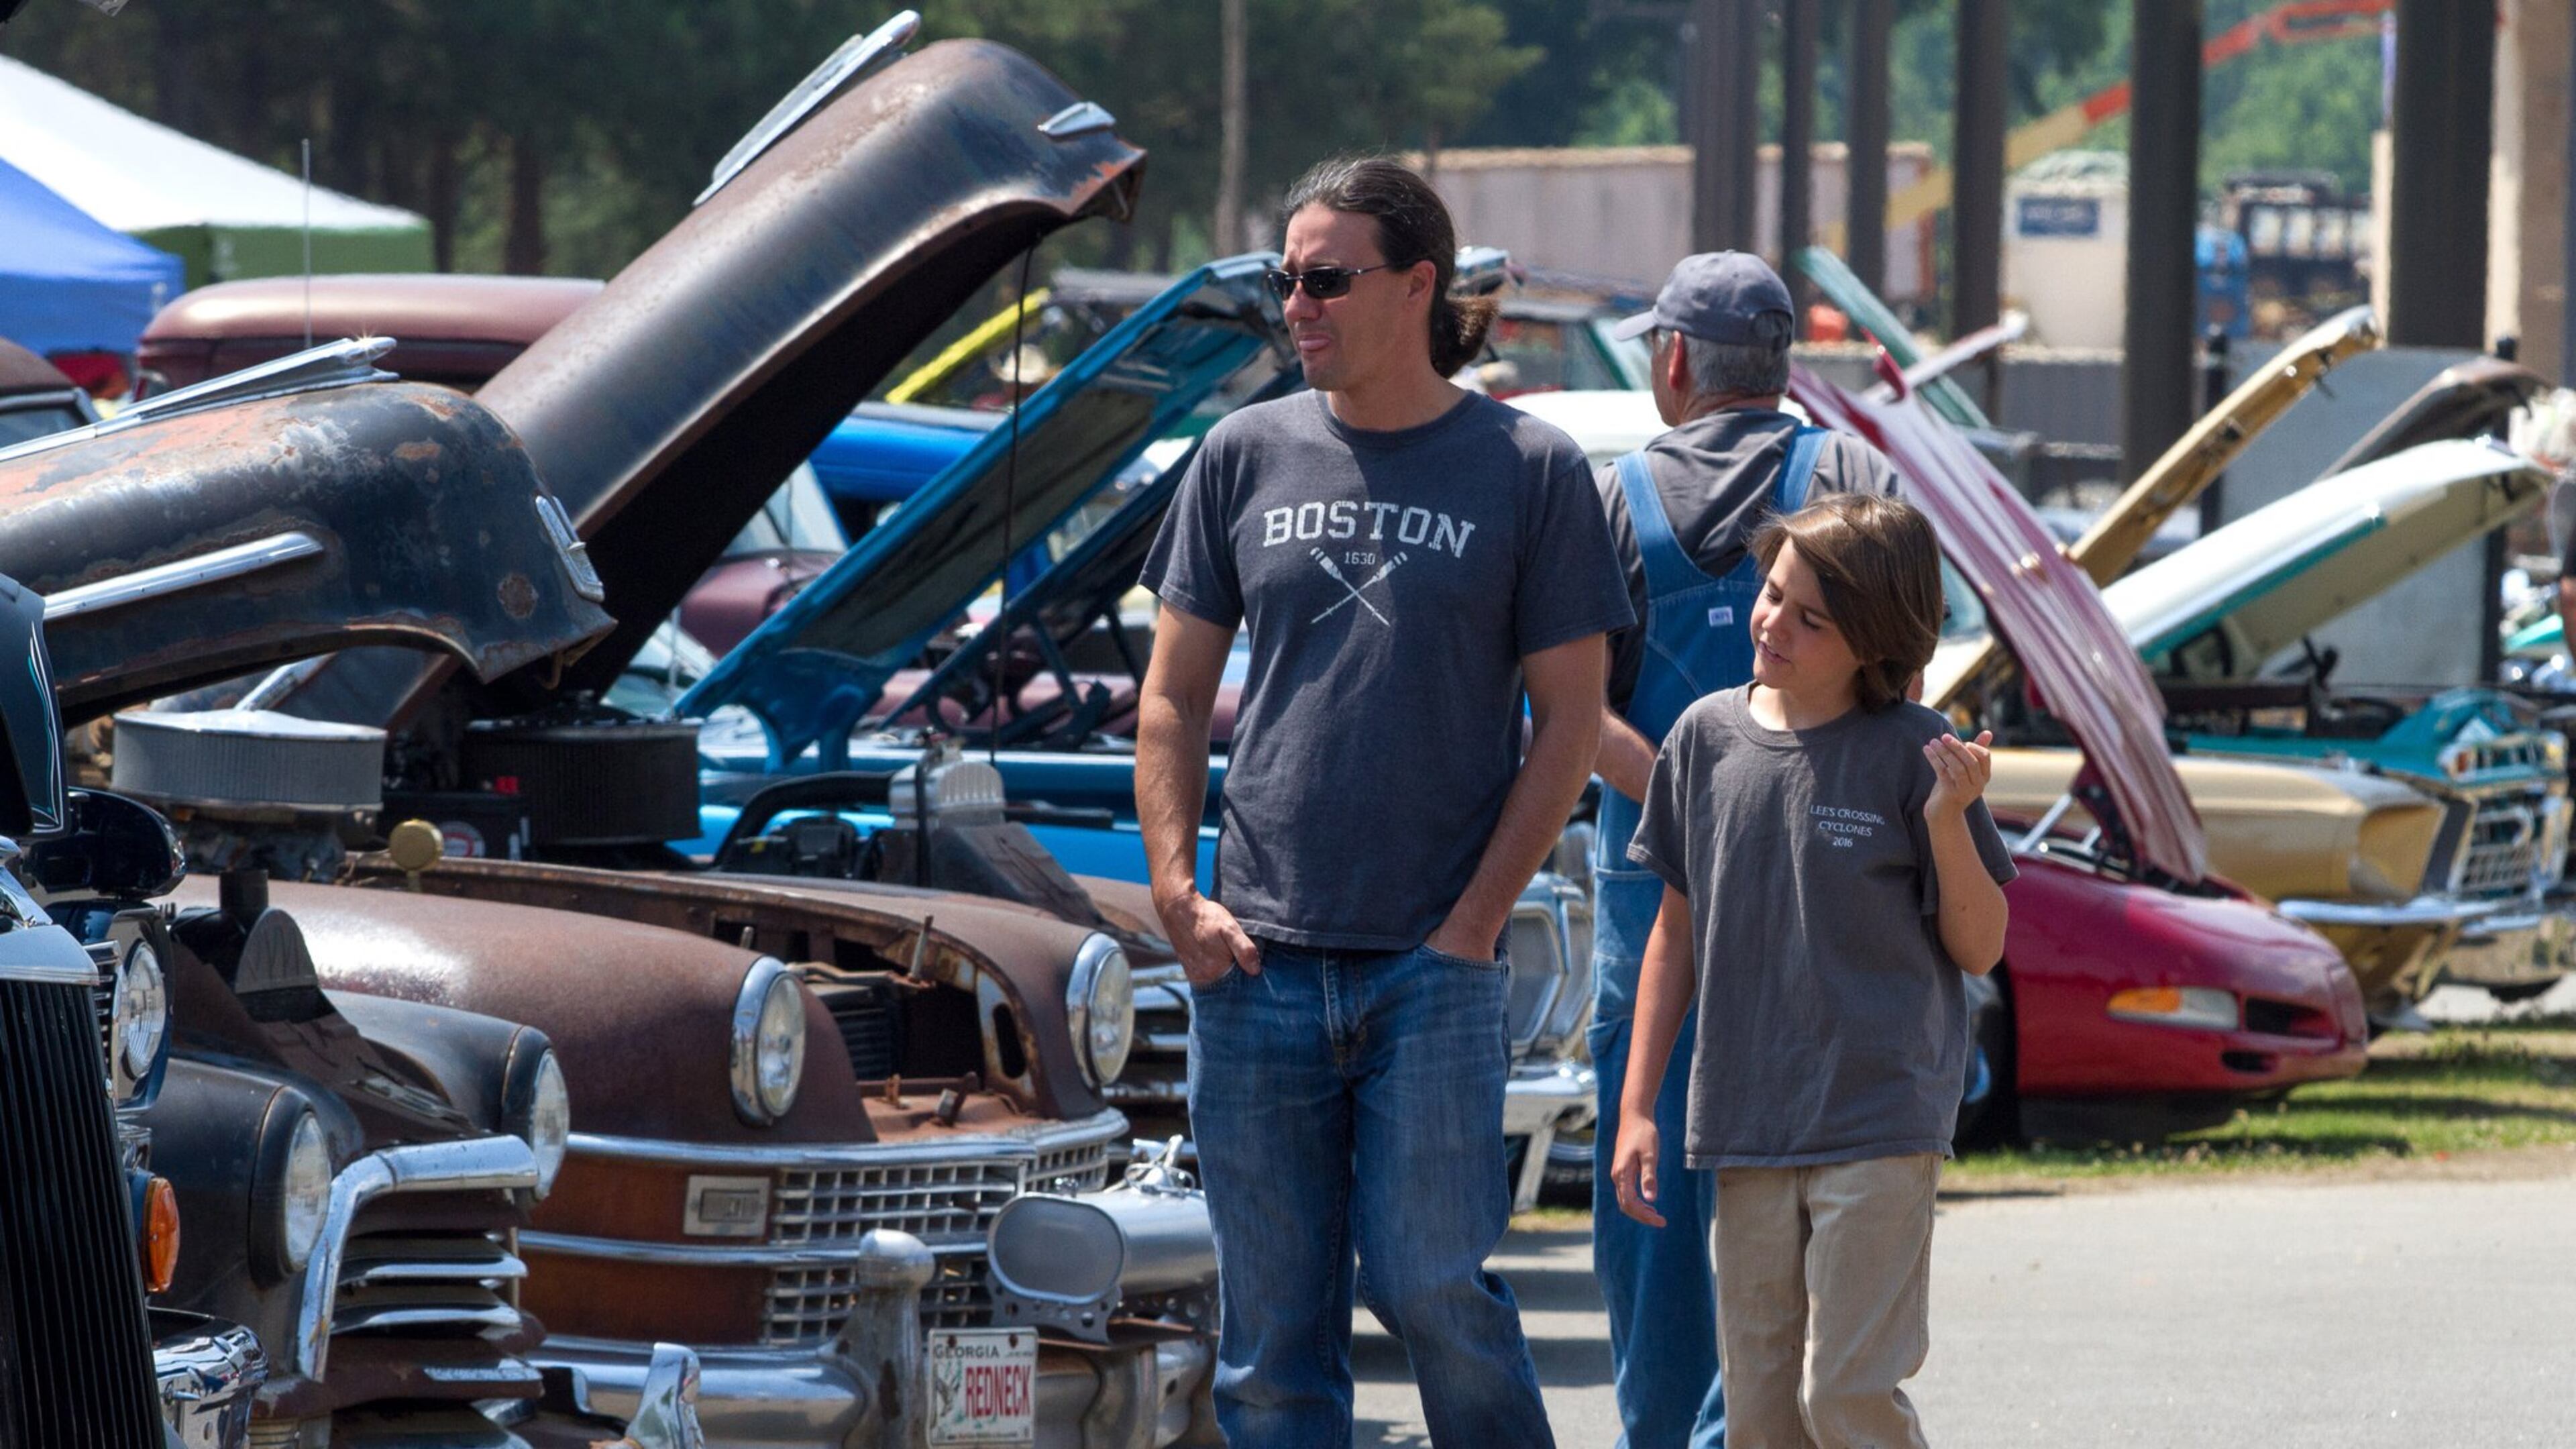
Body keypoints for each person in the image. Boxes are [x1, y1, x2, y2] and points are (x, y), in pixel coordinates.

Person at [1133, 155, 1634, 1448]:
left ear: (1418, 286)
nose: (1296, 305)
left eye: (1324, 279)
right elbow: (1173, 701)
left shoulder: (1529, 468)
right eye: (1283, 280)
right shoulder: (1241, 455)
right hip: (1256, 962)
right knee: (1271, 1342)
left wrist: (1472, 928)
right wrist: (1180, 898)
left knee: (1430, 1290)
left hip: (1431, 968)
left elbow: (1569, 724)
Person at [1609, 493, 2017, 1449]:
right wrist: (1635, 1108)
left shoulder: (1919, 753)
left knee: (1845, 1396)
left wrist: (1949, 821)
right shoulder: (1704, 741)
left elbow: (1981, 945)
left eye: (1809, 616)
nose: (1771, 622)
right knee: (1756, 1414)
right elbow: (1675, 934)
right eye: (1771, 593)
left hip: (1880, 1119)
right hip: (1743, 1125)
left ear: (1876, 640)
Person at [1585, 251, 1902, 1449]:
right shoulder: (1857, 475)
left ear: (1672, 360)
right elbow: (1900, 683)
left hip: (1651, 908)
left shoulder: (1607, 498)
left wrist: (1693, 802)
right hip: (1829, 902)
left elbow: (1567, 715)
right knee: (1797, 1222)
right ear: (1784, 363)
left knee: (1653, 1199)